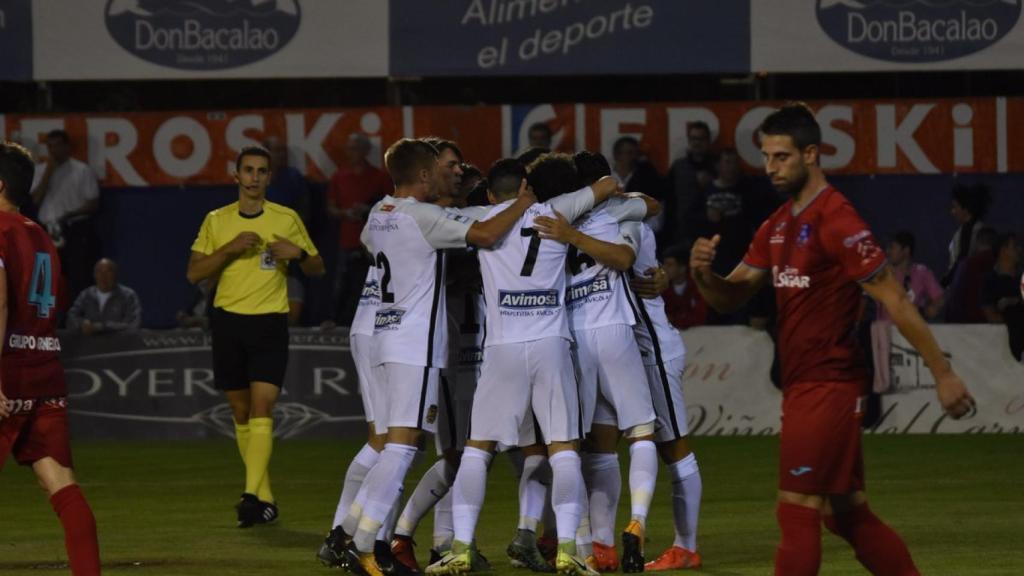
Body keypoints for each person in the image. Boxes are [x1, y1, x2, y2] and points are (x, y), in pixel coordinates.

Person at [689, 104, 973, 575]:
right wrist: (703, 275)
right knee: (846, 513)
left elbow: (896, 299)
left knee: (796, 509)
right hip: (806, 385)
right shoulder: (777, 224)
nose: (770, 167)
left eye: (782, 157)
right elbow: (730, 295)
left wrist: (943, 373)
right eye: (766, 156)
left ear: (811, 154)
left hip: (830, 384)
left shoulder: (837, 219)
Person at [425, 157, 642, 576]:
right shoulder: (557, 210)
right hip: (551, 346)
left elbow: (433, 218)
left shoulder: (480, 217)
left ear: (492, 193)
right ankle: (568, 549)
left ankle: (461, 547)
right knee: (563, 449)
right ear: (527, 186)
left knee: (478, 448)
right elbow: (606, 185)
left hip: (502, 348)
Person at [340, 139, 535, 576]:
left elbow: (371, 245)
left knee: (395, 445)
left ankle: (350, 533)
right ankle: (364, 545)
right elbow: (485, 234)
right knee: (402, 448)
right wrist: (523, 204)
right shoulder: (422, 217)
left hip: (384, 337)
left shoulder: (378, 214)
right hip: (414, 346)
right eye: (438, 169)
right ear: (425, 174)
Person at [529, 153, 661, 573]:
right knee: (641, 432)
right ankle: (637, 521)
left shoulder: (542, 220)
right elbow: (647, 214)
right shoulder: (609, 213)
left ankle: (591, 545)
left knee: (585, 444)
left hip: (572, 336)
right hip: (614, 328)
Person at [186, 145, 325, 528]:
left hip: (269, 322)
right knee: (241, 412)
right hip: (228, 322)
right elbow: (194, 273)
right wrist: (229, 249)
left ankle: (250, 497)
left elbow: (317, 267)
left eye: (261, 171)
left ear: (269, 177)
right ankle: (265, 498)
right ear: (236, 175)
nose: (254, 177)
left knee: (263, 408)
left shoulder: (286, 218)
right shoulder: (217, 220)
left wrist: (299, 254)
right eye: (248, 170)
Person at [0, 141, 102, 576]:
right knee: (61, 485)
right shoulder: (42, 237)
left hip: (8, 374)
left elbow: (0, 304)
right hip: (45, 373)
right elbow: (52, 303)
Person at [326, 133, 392, 326]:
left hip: (373, 243)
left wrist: (368, 210)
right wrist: (346, 213)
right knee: (342, 284)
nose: (351, 153)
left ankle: (374, 322)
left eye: (355, 148)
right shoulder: (339, 176)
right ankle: (336, 321)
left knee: (374, 284)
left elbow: (392, 206)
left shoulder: (380, 176)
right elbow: (331, 208)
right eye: (349, 149)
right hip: (347, 241)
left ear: (366, 150)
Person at [30, 130, 101, 300]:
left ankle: (78, 312)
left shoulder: (82, 170)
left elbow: (92, 203)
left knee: (78, 274)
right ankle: (50, 313)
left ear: (67, 147)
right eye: (50, 146)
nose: (54, 150)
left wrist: (68, 214)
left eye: (58, 145)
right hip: (47, 229)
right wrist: (48, 172)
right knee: (47, 276)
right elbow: (35, 200)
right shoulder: (40, 170)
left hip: (74, 227)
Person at [663, 122, 715, 248]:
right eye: (693, 139)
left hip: (711, 233)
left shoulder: (719, 166)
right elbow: (669, 201)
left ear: (708, 141)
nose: (697, 143)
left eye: (701, 139)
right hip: (682, 234)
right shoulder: (678, 167)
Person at [879, 231, 943, 322]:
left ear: (906, 250)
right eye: (888, 248)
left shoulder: (922, 272)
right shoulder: (882, 273)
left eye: (892, 247)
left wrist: (928, 310)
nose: (888, 251)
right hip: (885, 329)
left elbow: (939, 299)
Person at [66, 258, 142, 334]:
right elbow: (71, 316)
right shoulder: (86, 294)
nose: (103, 276)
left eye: (108, 272)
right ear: (94, 275)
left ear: (116, 274)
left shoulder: (128, 296)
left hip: (119, 341)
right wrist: (82, 323)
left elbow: (133, 324)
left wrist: (102, 327)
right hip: (89, 341)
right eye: (99, 272)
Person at [981, 233, 1024, 360]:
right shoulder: (990, 281)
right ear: (1003, 251)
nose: (1019, 250)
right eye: (1015, 246)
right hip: (1002, 352)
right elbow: (990, 314)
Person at [942, 183, 992, 287]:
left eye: (955, 207)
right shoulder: (963, 232)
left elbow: (962, 260)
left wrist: (947, 281)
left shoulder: (973, 232)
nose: (952, 212)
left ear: (965, 209)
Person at [263, 136, 311, 224]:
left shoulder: (294, 176)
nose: (282, 155)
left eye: (283, 151)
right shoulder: (256, 179)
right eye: (277, 151)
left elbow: (303, 208)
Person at [660, 246, 708, 330]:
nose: (664, 268)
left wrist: (674, 320)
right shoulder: (662, 289)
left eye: (669, 265)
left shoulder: (698, 287)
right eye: (664, 264)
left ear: (682, 268)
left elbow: (700, 318)